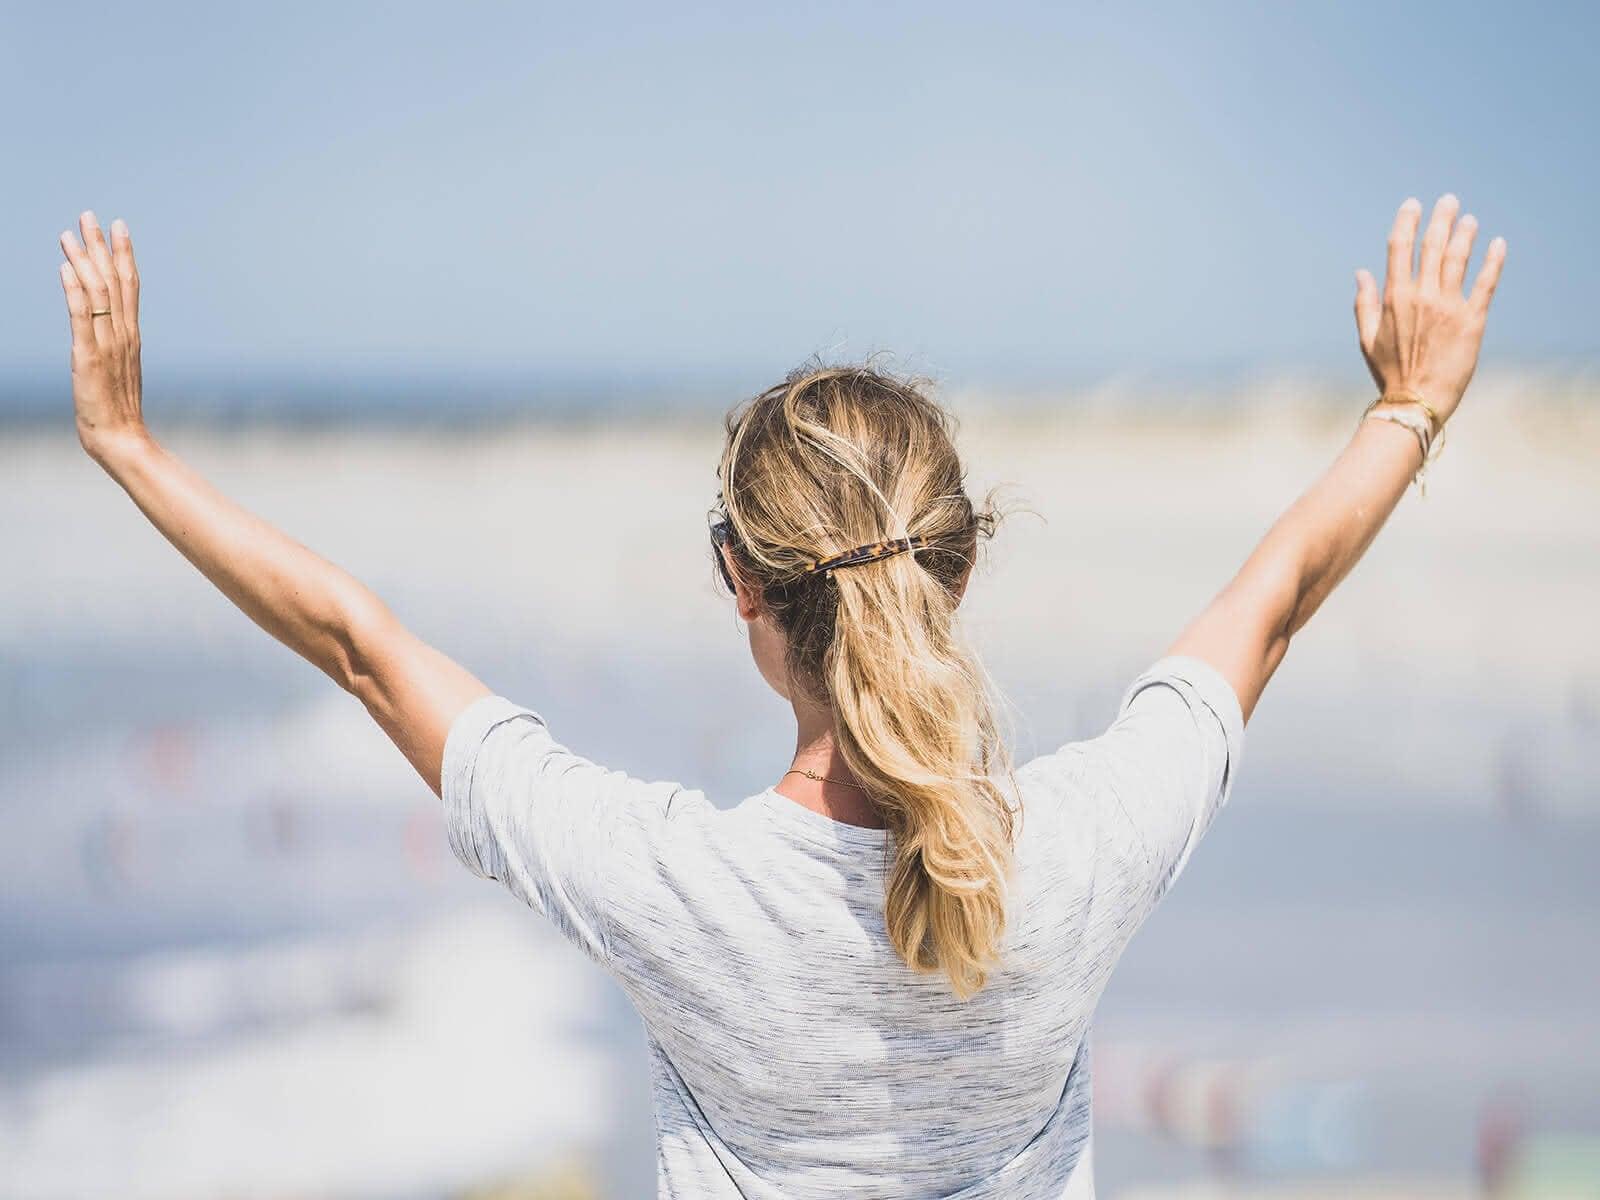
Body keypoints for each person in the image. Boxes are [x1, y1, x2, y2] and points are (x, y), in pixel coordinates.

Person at [55, 195, 1505, 1198]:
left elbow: (361, 645)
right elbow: (1278, 597)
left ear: (736, 579)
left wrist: (128, 447)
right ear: (963, 562)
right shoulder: (1070, 852)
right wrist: (1412, 405)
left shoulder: (675, 883)